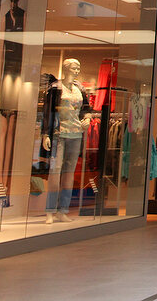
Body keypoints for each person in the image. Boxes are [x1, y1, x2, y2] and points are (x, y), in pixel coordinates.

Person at [41, 58, 94, 223]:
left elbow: (86, 109)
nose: (76, 71)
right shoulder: (56, 88)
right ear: (66, 69)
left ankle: (62, 209)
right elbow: (48, 112)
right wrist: (45, 134)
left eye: (78, 68)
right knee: (55, 172)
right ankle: (50, 210)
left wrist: (87, 118)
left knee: (69, 173)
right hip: (59, 133)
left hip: (75, 134)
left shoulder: (80, 89)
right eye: (73, 68)